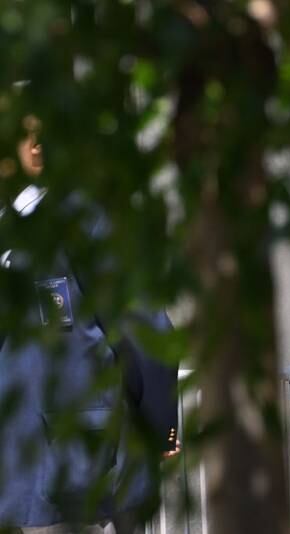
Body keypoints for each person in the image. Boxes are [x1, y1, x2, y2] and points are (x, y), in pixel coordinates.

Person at [0, 129, 179, 534]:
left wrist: (160, 428)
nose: (37, 142)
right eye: (22, 132)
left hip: (71, 475)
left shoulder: (88, 219)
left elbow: (146, 332)